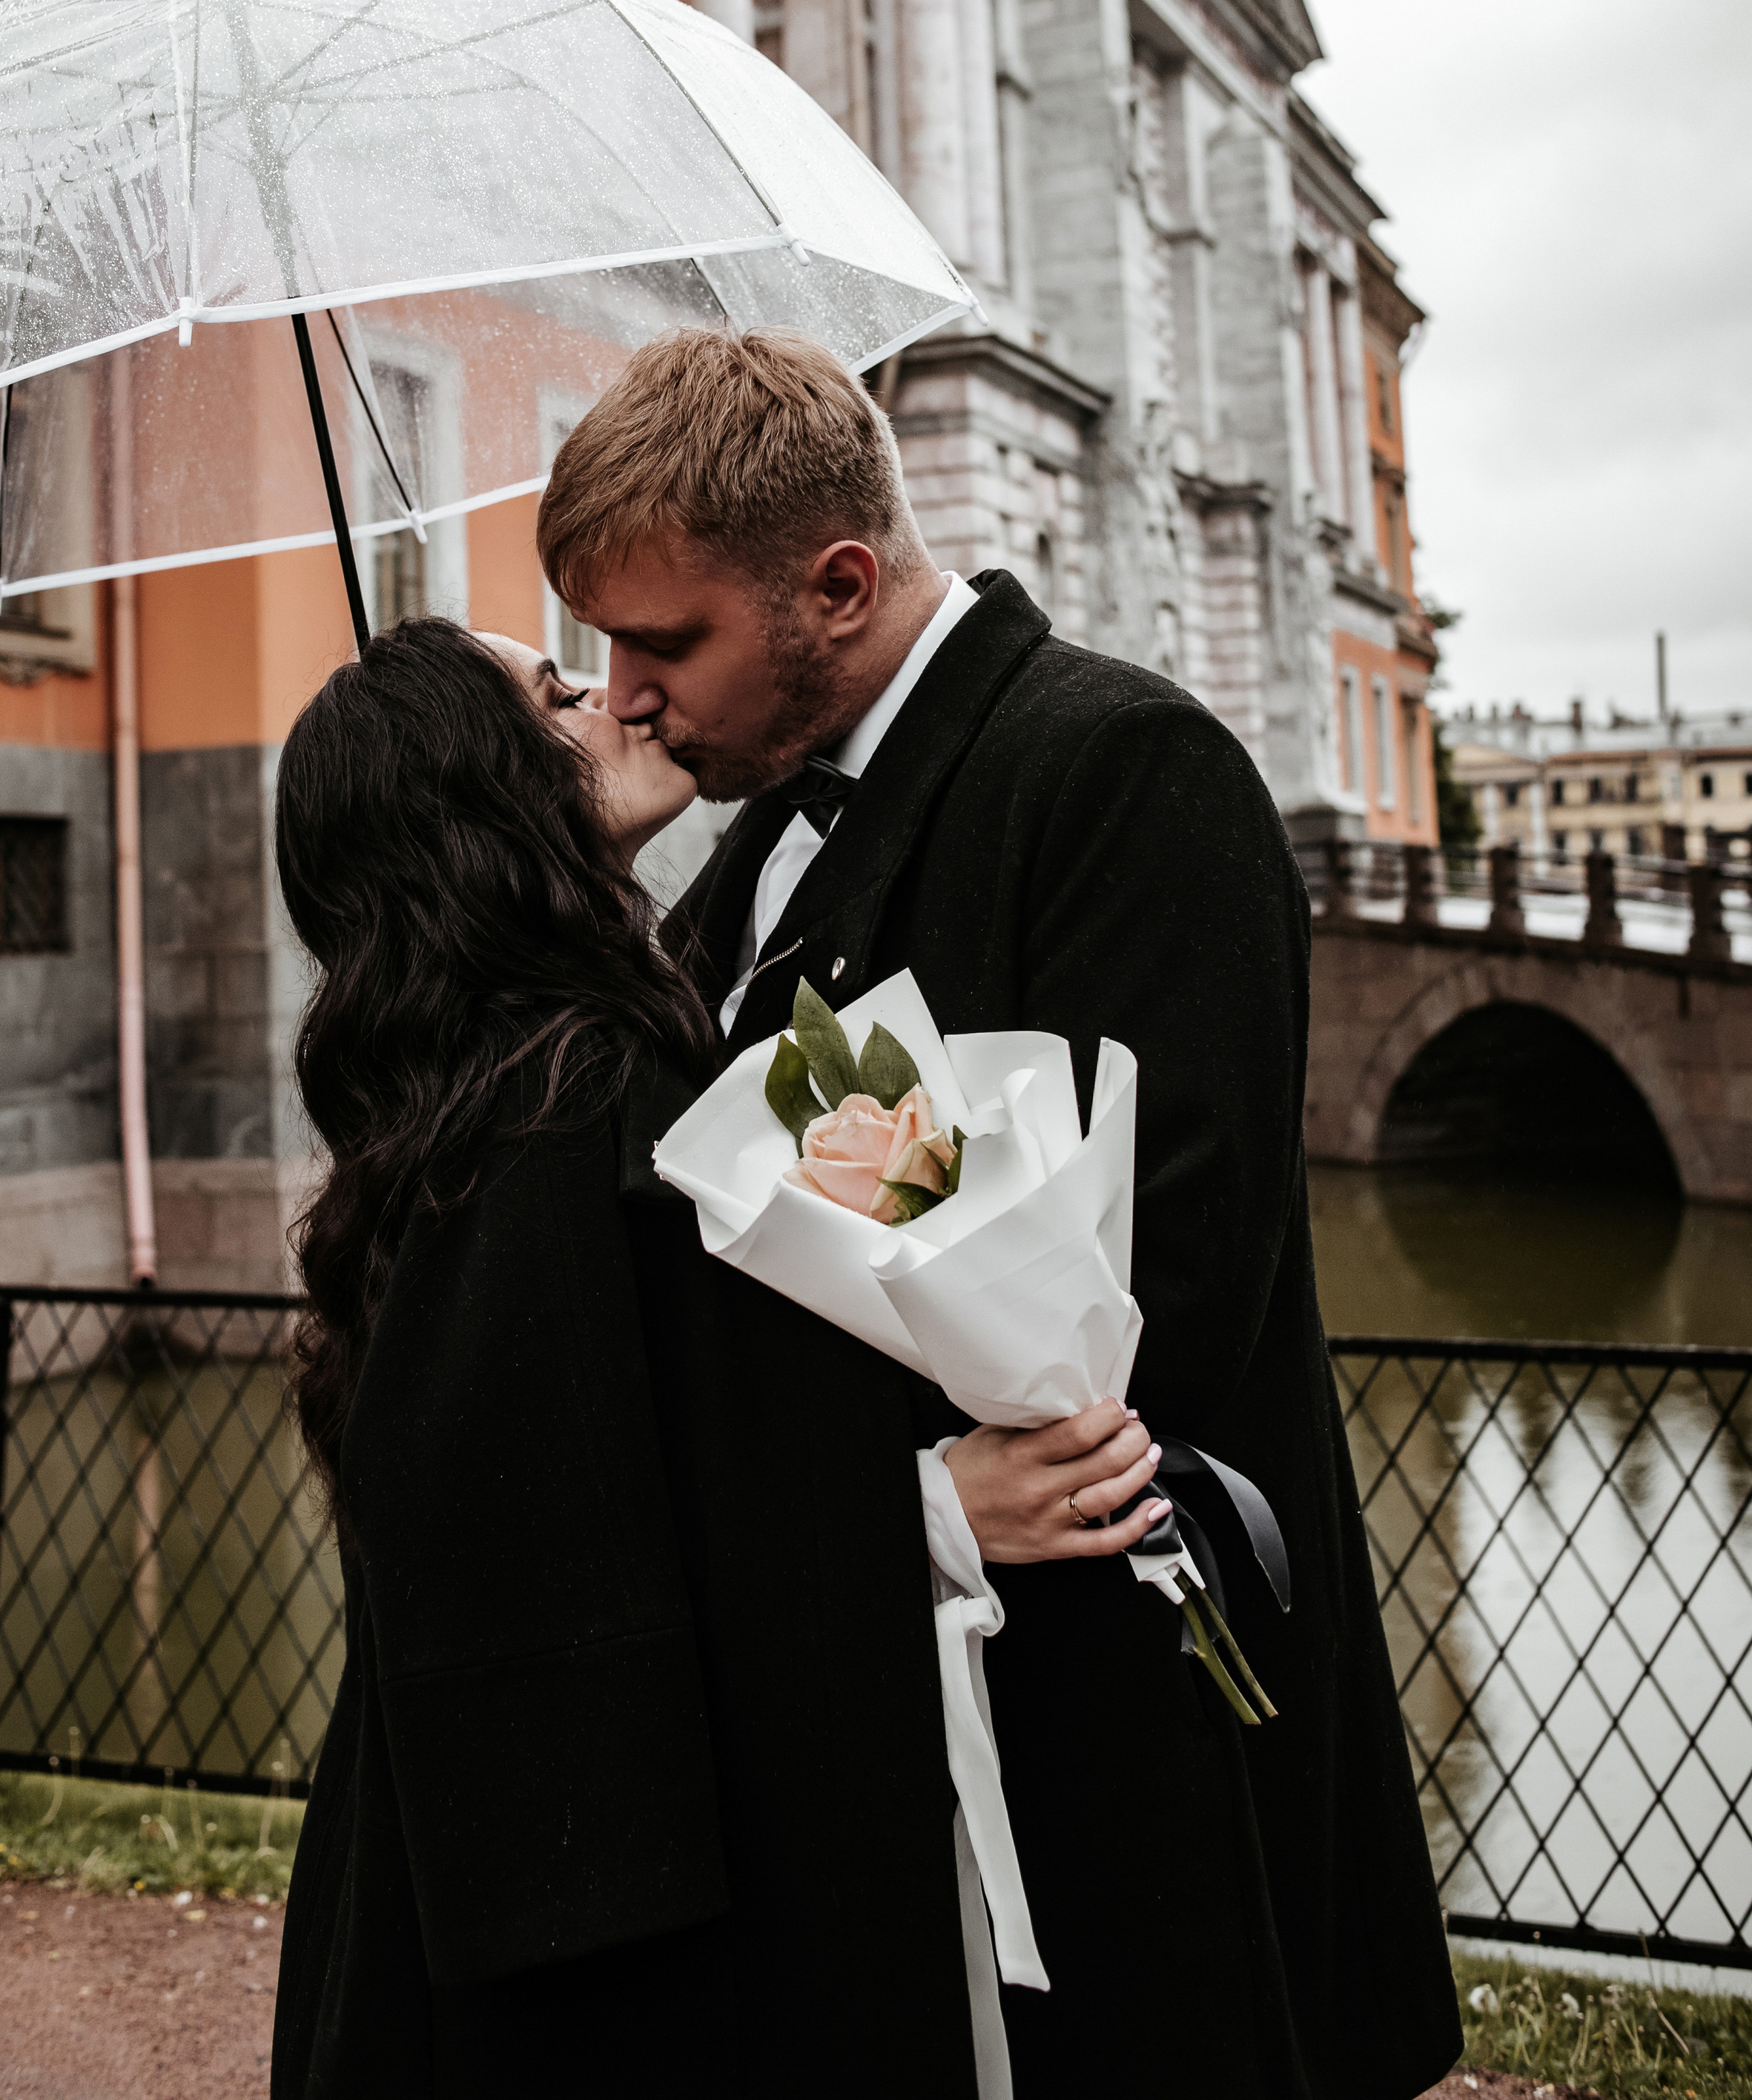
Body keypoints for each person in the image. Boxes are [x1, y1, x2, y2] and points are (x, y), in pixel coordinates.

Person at [535, 325, 1463, 2100]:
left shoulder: (1123, 768)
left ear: (837, 582)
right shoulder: (740, 837)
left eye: (663, 643)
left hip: (1125, 1734)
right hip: (912, 1726)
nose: (626, 695)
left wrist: (835, 1508)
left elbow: (1164, 1285)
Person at [268, 610, 1167, 2099]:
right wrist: (926, 1515)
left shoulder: (544, 1070)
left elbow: (656, 1443)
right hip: (593, 1937)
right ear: (472, 789)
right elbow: (533, 1569)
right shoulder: (548, 1105)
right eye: (554, 692)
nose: (613, 693)